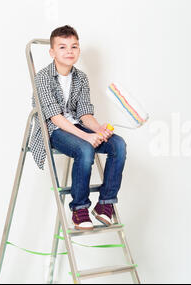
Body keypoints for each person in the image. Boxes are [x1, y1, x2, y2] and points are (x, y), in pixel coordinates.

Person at [29, 25, 127, 230]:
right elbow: (55, 118)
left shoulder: (81, 77)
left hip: (76, 125)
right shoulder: (43, 78)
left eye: (74, 46)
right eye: (63, 47)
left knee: (118, 144)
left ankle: (105, 204)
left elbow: (84, 114)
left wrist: (99, 129)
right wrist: (86, 137)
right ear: (52, 52)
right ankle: (79, 208)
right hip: (53, 129)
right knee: (85, 148)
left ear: (79, 50)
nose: (69, 51)